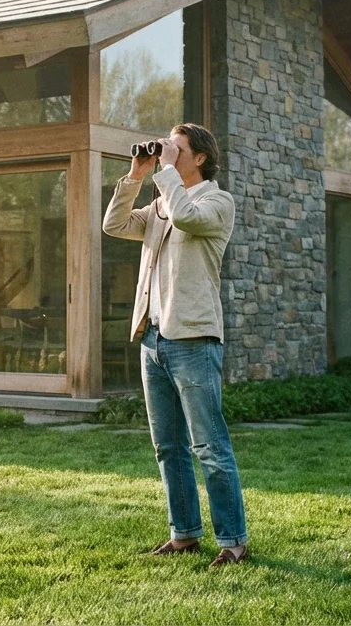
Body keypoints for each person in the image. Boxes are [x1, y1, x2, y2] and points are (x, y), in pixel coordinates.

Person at [102, 123, 249, 569]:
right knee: (168, 445)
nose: (168, 152)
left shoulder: (216, 203)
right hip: (154, 339)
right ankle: (183, 533)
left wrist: (164, 171)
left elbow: (186, 216)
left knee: (209, 446)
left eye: (176, 148)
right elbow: (114, 225)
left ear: (200, 157)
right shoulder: (162, 202)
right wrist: (135, 175)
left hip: (193, 340)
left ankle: (233, 540)